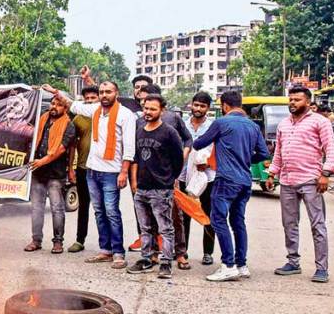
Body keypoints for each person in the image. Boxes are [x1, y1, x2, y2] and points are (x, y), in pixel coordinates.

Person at [44, 81, 136, 269]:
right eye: (101, 92)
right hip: (92, 170)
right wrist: (55, 92)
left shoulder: (126, 115)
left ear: (116, 93)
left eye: (108, 92)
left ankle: (118, 252)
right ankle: (105, 250)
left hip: (112, 171)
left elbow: (129, 147)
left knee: (111, 212)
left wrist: (124, 171)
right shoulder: (95, 110)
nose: (104, 95)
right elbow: (72, 104)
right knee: (99, 212)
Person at [193, 90, 270, 282]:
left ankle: (228, 265)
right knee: (238, 222)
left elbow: (199, 143)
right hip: (245, 179)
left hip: (226, 178)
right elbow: (263, 153)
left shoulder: (222, 122)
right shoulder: (252, 126)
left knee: (218, 219)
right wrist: (245, 158)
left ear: (225, 105)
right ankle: (241, 264)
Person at [267, 86, 334, 283]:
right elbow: (279, 152)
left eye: (297, 100)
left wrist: (325, 174)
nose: (292, 103)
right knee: (289, 224)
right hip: (288, 181)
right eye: (290, 99)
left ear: (308, 102)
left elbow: (331, 148)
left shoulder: (320, 122)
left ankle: (321, 268)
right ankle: (292, 262)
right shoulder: (284, 124)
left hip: (311, 181)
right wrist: (272, 173)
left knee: (318, 225)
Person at [127, 84, 192, 258]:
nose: (146, 108)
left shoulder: (173, 121)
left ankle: (180, 253)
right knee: (148, 221)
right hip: (144, 181)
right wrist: (134, 180)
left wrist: (174, 175)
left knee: (173, 219)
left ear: (161, 107)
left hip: (166, 180)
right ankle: (153, 253)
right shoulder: (139, 123)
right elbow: (136, 155)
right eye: (144, 103)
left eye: (150, 103)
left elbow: (187, 141)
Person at [24, 97, 77, 253]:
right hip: (37, 172)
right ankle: (36, 240)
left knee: (57, 208)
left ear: (65, 108)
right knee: (36, 208)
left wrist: (42, 161)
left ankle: (58, 242)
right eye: (53, 104)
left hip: (55, 173)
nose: (54, 107)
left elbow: (60, 149)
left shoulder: (69, 125)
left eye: (59, 105)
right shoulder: (42, 120)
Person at [179, 91, 218, 266]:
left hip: (206, 177)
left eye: (202, 106)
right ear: (191, 105)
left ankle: (208, 252)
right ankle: (182, 251)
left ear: (208, 108)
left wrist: (209, 163)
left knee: (208, 214)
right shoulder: (182, 125)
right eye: (196, 105)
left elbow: (219, 150)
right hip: (183, 175)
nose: (198, 109)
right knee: (182, 215)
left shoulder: (213, 126)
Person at [67, 85, 99, 253]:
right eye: (87, 98)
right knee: (84, 206)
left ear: (99, 99)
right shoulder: (77, 119)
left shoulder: (104, 116)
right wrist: (71, 168)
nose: (89, 101)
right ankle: (80, 240)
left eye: (93, 98)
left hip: (102, 169)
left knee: (105, 209)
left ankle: (107, 244)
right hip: (82, 168)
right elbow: (71, 145)